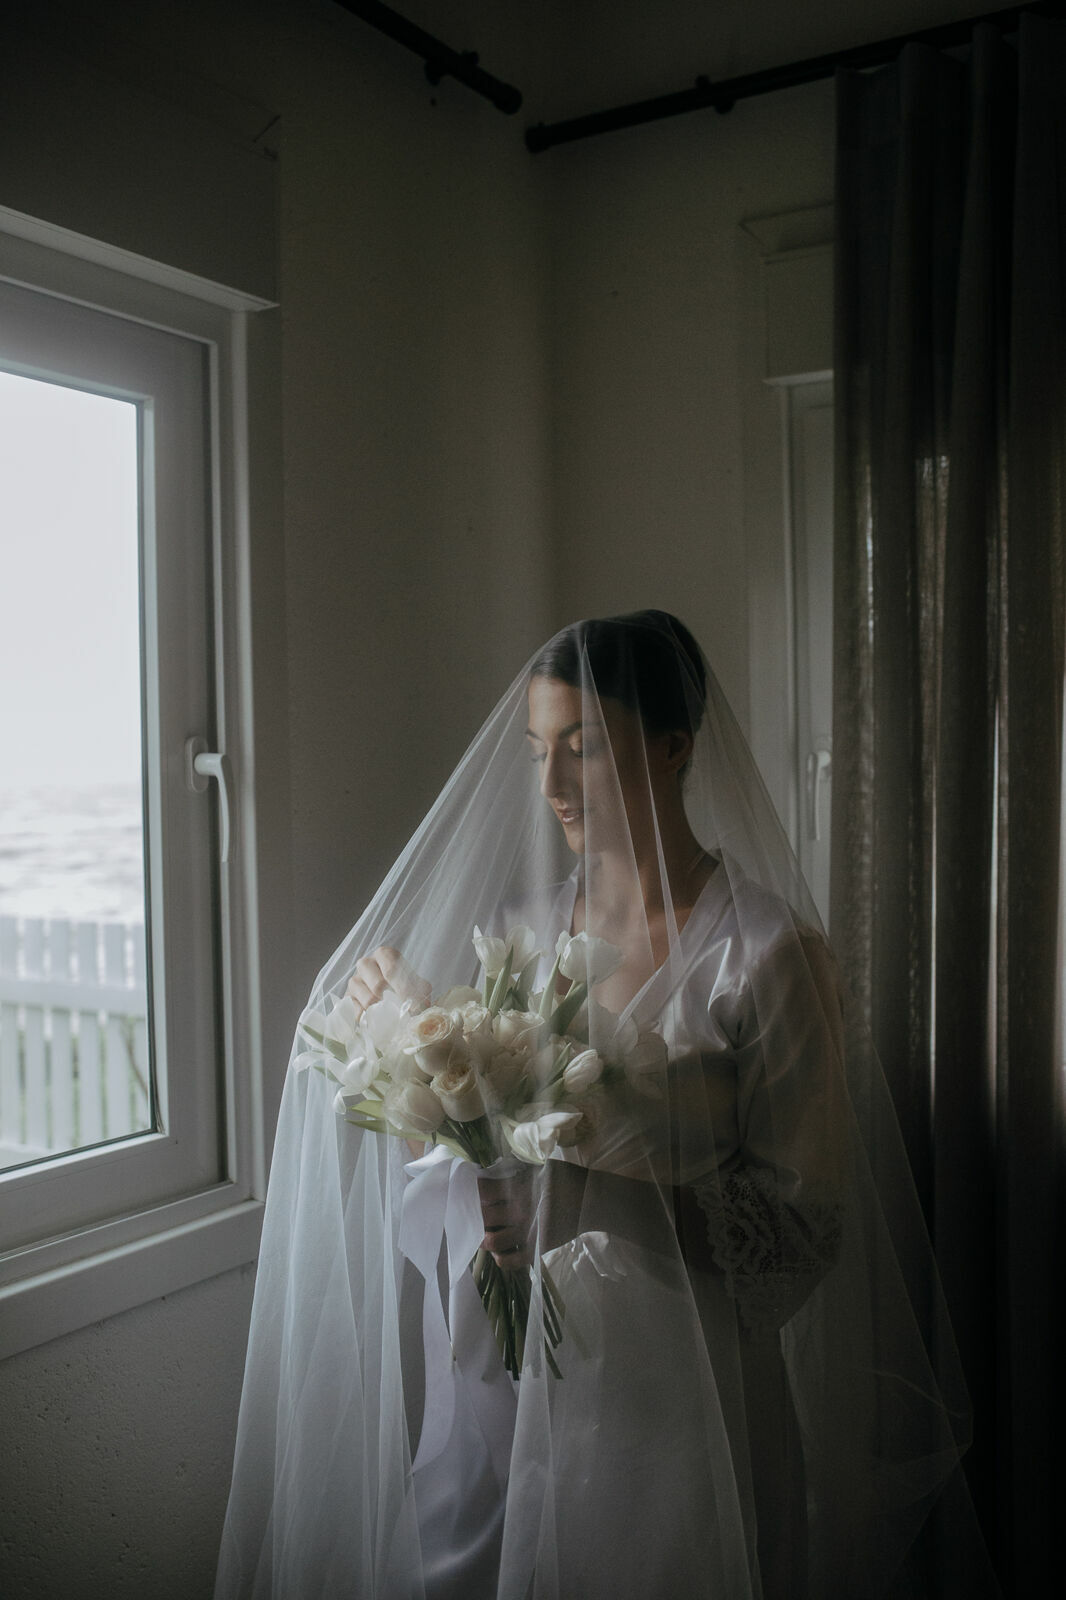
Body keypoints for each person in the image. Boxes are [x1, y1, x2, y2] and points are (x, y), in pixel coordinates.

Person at [216, 611, 995, 1600]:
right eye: (540, 750)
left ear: (672, 747)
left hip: (689, 1411)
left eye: (581, 748)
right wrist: (406, 1046)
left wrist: (597, 1203)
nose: (549, 787)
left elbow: (800, 1241)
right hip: (512, 1381)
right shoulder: (519, 939)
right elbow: (472, 1148)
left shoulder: (766, 956)